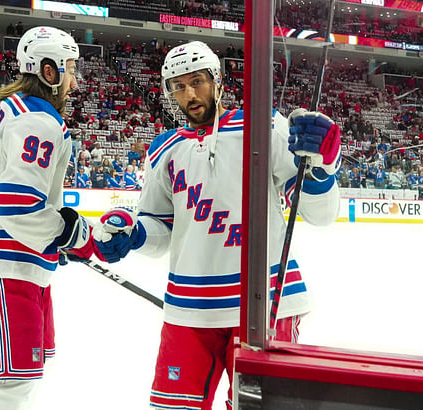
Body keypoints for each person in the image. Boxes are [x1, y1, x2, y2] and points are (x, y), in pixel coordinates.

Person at [91, 41, 341, 409]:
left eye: (198, 81)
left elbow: (319, 213)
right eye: (178, 86)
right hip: (188, 309)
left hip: (265, 302)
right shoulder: (163, 149)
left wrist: (322, 167)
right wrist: (134, 233)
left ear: (218, 80)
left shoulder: (265, 126)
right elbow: (159, 232)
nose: (190, 94)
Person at [0, 26, 102, 410]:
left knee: (21, 378)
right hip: (5, 261)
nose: (74, 80)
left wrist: (55, 236)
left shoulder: (9, 110)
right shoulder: (38, 119)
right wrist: (70, 235)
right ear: (48, 72)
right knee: (11, 387)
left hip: (13, 257)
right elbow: (19, 205)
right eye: (69, 68)